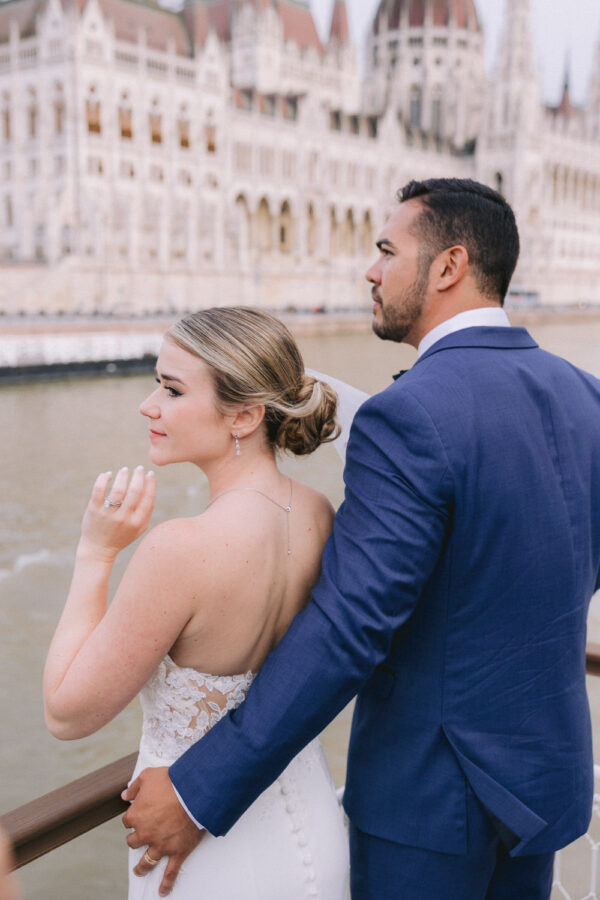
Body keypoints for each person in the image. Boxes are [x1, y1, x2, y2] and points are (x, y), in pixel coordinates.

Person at [122, 178, 600, 900]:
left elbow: (348, 629)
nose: (370, 271)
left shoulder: (408, 416)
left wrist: (197, 791)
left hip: (433, 810)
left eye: (386, 250)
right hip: (545, 783)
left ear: (448, 266)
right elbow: (566, 567)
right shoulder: (585, 395)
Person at [43, 307, 350, 899]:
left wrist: (96, 554)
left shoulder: (180, 549)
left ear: (244, 415)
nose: (148, 405)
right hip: (309, 826)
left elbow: (66, 713)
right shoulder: (319, 513)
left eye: (171, 389)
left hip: (205, 850)